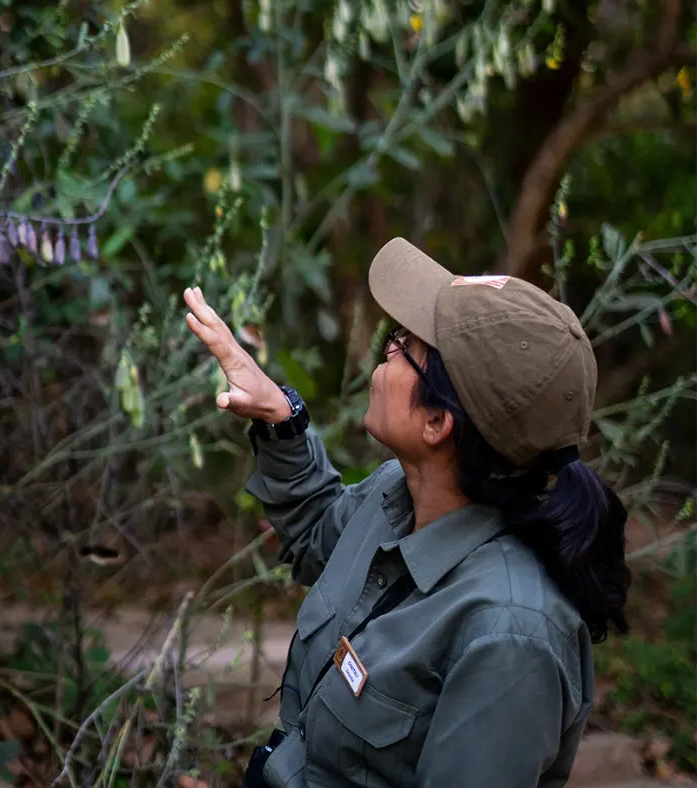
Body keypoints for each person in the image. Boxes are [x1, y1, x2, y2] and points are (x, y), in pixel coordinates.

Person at [183, 238, 631, 788]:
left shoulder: (511, 636)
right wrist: (282, 420)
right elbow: (321, 538)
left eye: (403, 344)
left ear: (438, 424)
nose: (385, 350)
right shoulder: (399, 493)